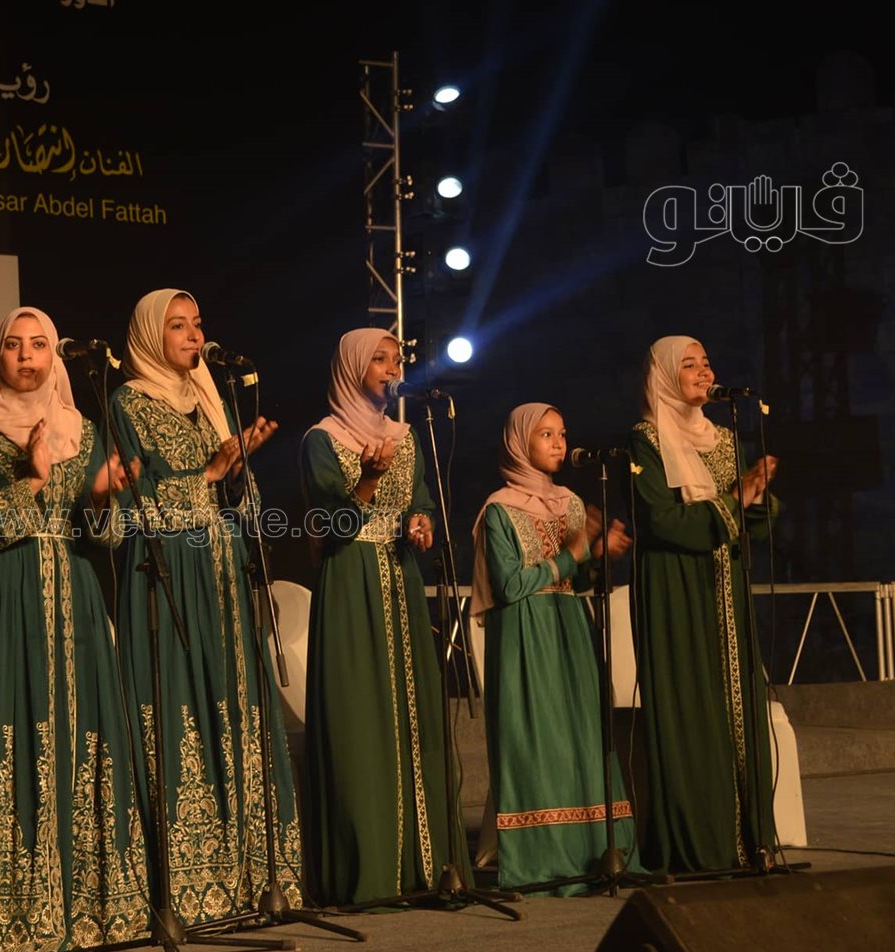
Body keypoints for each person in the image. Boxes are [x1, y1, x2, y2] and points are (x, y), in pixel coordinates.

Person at [0, 305, 151, 952]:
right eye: (13, 344)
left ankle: (91, 907)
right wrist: (33, 479)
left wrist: (103, 498)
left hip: (78, 600)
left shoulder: (83, 430)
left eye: (38, 344)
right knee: (14, 729)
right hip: (7, 599)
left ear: (54, 354)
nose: (26, 355)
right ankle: (12, 909)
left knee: (81, 732)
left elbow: (107, 538)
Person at [109, 288, 301, 925]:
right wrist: (211, 474)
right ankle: (189, 885)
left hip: (221, 571)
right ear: (149, 336)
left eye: (197, 324)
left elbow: (237, 501)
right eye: (178, 326)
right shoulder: (128, 403)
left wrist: (236, 468)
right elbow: (135, 506)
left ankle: (252, 875)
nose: (194, 336)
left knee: (235, 706)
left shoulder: (209, 398)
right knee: (181, 713)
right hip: (167, 576)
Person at [301, 328, 469, 906]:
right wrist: (369, 480)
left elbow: (418, 500)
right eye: (379, 359)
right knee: (362, 722)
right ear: (351, 368)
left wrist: (422, 522)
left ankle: (424, 865)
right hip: (351, 585)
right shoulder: (322, 440)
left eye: (396, 360)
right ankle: (371, 872)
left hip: (402, 582)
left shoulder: (406, 435)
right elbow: (332, 526)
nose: (392, 368)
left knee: (415, 715)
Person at [472, 402, 638, 893]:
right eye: (546, 434)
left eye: (562, 433)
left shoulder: (571, 503)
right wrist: (573, 554)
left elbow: (578, 579)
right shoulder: (499, 508)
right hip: (524, 636)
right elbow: (510, 585)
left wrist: (597, 555)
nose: (559, 443)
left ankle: (595, 849)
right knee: (537, 738)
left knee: (580, 734)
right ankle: (542, 855)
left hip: (569, 629)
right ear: (519, 441)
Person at [629, 336, 779, 873]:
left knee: (740, 705)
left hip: (725, 585)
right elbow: (662, 521)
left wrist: (756, 492)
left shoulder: (724, 438)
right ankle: (705, 846)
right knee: (693, 709)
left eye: (706, 362)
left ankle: (752, 842)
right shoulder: (645, 440)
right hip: (677, 589)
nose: (703, 372)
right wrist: (736, 498)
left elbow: (748, 519)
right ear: (665, 376)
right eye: (688, 365)